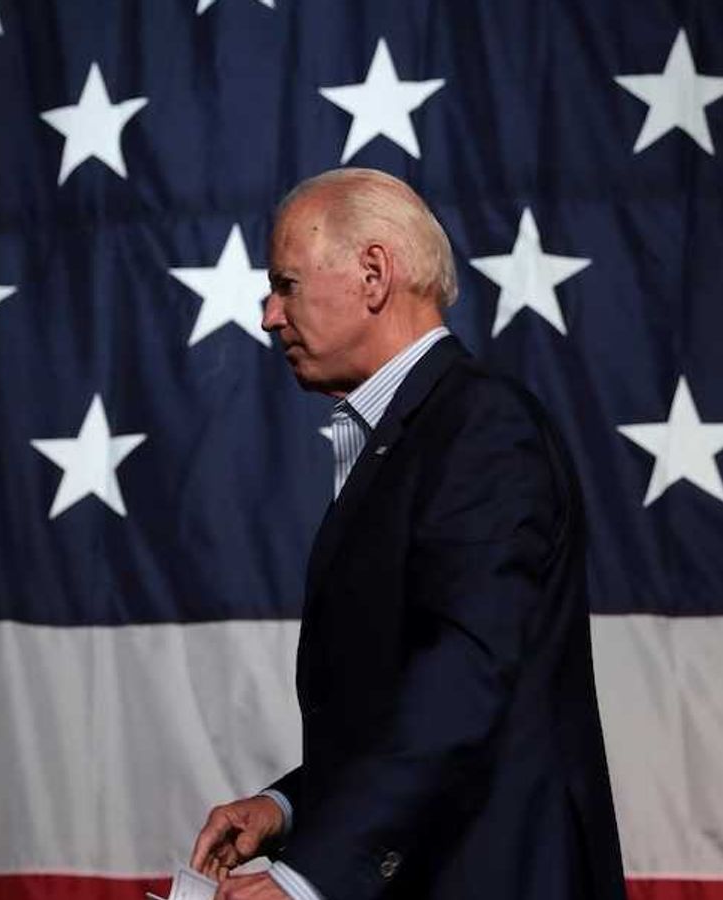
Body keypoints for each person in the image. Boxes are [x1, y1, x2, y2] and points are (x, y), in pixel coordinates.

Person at [190, 168, 625, 900]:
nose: (268, 315)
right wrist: (288, 807)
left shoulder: (480, 429)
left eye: (285, 284)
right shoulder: (414, 435)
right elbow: (397, 703)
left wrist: (307, 881)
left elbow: (464, 680)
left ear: (373, 273)